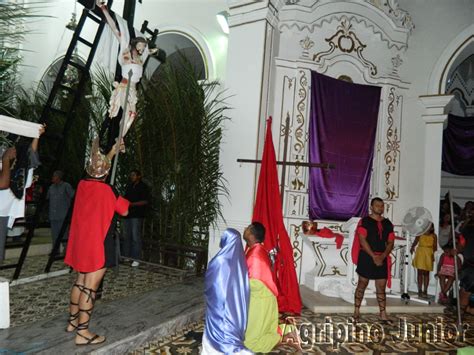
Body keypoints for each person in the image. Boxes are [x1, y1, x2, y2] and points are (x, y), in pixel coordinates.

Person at [64, 139, 129, 345]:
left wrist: (111, 152)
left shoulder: (82, 184)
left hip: (80, 243)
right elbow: (125, 210)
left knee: (80, 282)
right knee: (90, 288)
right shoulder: (108, 190)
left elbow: (97, 168)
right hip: (98, 244)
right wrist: (117, 190)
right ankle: (83, 333)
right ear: (107, 173)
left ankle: (73, 323)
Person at [96, 0, 161, 153]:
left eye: (144, 47)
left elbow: (152, 52)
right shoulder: (126, 50)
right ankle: (109, 140)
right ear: (135, 43)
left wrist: (152, 51)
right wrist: (104, 9)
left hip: (132, 90)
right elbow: (114, 27)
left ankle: (120, 137)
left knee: (131, 114)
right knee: (115, 113)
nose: (143, 48)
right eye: (141, 45)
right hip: (124, 86)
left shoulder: (141, 57)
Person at [243, 222, 301, 353]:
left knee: (251, 344)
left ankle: (287, 337)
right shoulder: (257, 249)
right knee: (260, 333)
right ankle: (288, 335)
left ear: (251, 234)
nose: (244, 229)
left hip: (260, 301)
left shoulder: (255, 254)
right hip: (262, 299)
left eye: (247, 228)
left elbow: (254, 283)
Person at [201, 228, 252, 355]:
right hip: (234, 307)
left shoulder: (220, 260)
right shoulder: (241, 263)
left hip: (219, 305)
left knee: (219, 330)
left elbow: (211, 282)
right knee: (230, 330)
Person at [0, 126, 44, 264]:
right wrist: (6, 159)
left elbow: (30, 155)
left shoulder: (17, 153)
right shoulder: (6, 156)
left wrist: (36, 135)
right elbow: (3, 184)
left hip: (3, 210)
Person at [352, 197, 395, 322]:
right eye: (377, 205)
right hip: (366, 256)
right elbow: (362, 239)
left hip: (382, 257)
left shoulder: (388, 223)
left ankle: (382, 314)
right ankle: (356, 310)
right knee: (362, 284)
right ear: (371, 207)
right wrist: (373, 256)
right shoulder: (364, 221)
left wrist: (382, 256)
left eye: (382, 206)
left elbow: (391, 242)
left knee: (381, 287)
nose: (380, 208)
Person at [122, 169, 149, 266]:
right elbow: (125, 199)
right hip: (127, 214)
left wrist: (132, 204)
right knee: (126, 236)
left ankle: (136, 259)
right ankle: (126, 256)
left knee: (135, 237)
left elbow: (145, 201)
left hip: (137, 215)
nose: (132, 177)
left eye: (133, 175)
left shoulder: (143, 187)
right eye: (131, 175)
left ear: (139, 176)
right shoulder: (129, 186)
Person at [47, 170, 75, 252]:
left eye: (54, 176)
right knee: (54, 234)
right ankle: (55, 250)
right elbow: (47, 197)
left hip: (63, 215)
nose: (52, 178)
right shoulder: (51, 187)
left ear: (58, 177)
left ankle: (66, 249)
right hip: (53, 215)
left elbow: (73, 196)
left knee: (64, 234)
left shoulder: (66, 186)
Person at [410, 223, 437, 298]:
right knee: (419, 272)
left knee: (426, 273)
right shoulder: (420, 233)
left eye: (430, 227)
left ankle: (425, 290)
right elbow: (415, 241)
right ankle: (419, 290)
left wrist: (433, 255)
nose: (428, 228)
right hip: (420, 253)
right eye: (427, 226)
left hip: (428, 254)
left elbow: (435, 247)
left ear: (432, 228)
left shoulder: (434, 235)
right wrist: (412, 247)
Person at [458, 218, 474, 316]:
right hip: (470, 266)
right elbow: (461, 245)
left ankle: (468, 309)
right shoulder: (469, 230)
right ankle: (460, 315)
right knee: (465, 291)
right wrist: (456, 250)